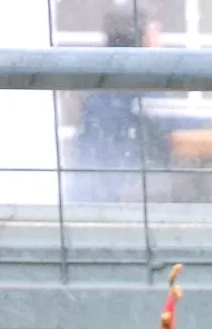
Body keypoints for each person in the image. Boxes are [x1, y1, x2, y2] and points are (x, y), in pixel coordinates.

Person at [71, 1, 163, 205]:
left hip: (96, 195)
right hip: (127, 195)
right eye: (154, 31)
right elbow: (168, 129)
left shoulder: (100, 86)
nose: (159, 39)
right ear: (142, 37)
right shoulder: (144, 86)